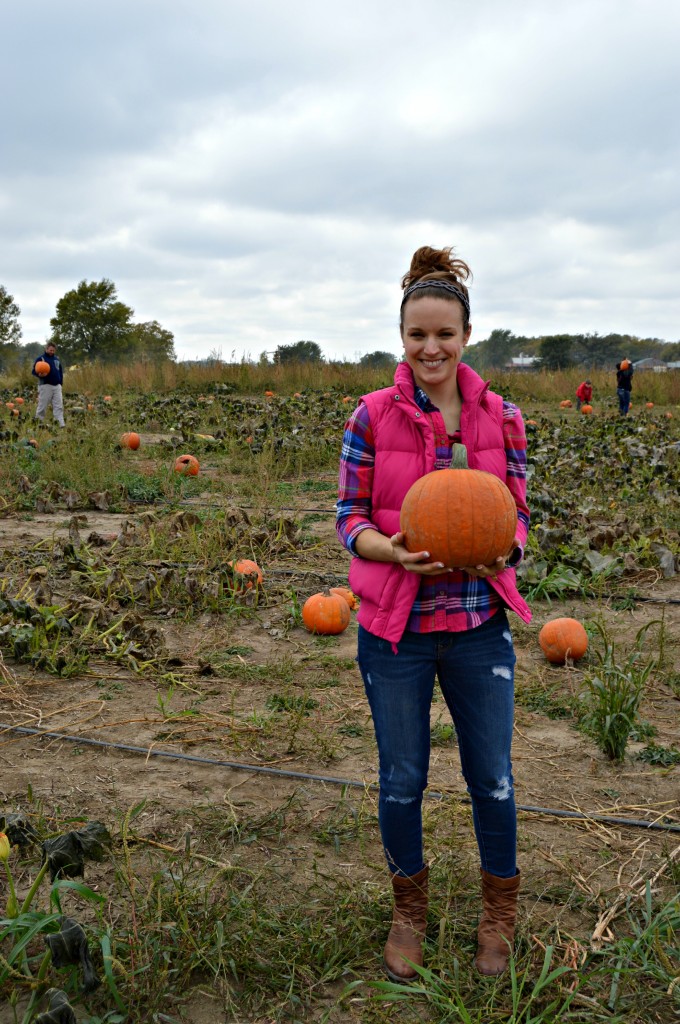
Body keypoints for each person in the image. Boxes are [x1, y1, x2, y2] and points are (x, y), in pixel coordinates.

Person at [336, 246, 531, 982]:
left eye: (444, 334)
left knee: (494, 780)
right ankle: (408, 912)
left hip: (479, 627)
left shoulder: (503, 418)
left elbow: (515, 517)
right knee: (401, 779)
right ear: (402, 338)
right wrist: (389, 550)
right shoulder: (373, 415)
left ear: (467, 334)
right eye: (418, 335)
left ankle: (498, 914)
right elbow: (348, 516)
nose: (431, 348)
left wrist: (502, 556)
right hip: (397, 631)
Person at [32, 342, 65, 428]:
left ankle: (60, 424)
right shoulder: (41, 359)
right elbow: (34, 371)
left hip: (57, 386)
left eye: (53, 350)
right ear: (46, 349)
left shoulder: (56, 360)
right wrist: (39, 374)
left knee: (59, 406)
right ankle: (38, 423)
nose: (52, 352)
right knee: (42, 406)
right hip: (45, 385)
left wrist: (60, 383)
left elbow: (60, 372)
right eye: (50, 350)